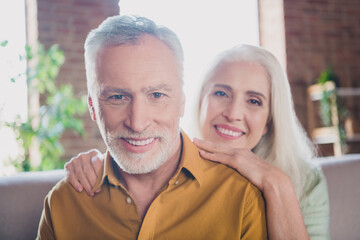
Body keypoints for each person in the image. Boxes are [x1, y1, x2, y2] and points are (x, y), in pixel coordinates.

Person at [36, 15, 267, 239]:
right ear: (93, 108)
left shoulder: (242, 198)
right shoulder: (62, 204)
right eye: (117, 97)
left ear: (182, 102)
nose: (137, 123)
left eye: (157, 95)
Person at [65, 44, 330, 239]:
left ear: (269, 121)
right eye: (221, 93)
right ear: (196, 100)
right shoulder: (168, 163)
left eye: (254, 101)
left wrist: (276, 182)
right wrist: (99, 162)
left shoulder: (305, 180)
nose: (233, 113)